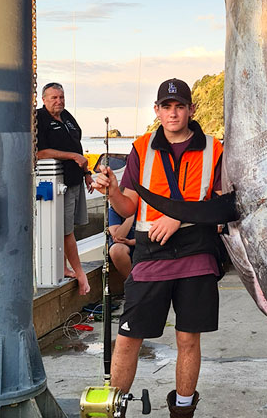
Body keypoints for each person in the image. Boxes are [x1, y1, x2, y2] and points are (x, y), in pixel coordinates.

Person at [93, 78, 224, 418]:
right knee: (127, 339)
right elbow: (128, 207)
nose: (173, 113)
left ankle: (182, 410)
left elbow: (227, 205)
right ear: (157, 110)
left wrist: (178, 218)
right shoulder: (140, 148)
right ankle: (115, 409)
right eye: (166, 107)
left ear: (191, 109)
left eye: (180, 106)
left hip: (197, 253)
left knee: (187, 340)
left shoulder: (215, 148)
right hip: (150, 255)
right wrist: (111, 192)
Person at [36, 82, 92, 295]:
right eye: (53, 98)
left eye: (61, 97)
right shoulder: (39, 118)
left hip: (76, 179)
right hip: (56, 183)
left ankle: (63, 266)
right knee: (65, 230)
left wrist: (87, 172)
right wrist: (72, 156)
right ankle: (79, 273)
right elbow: (39, 153)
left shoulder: (67, 116)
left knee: (70, 226)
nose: (58, 101)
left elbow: (76, 145)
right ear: (44, 99)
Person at [108, 207, 135, 280]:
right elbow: (118, 237)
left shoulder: (147, 207)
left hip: (145, 244)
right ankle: (132, 282)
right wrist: (131, 215)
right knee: (116, 250)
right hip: (126, 248)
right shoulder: (114, 210)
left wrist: (132, 242)